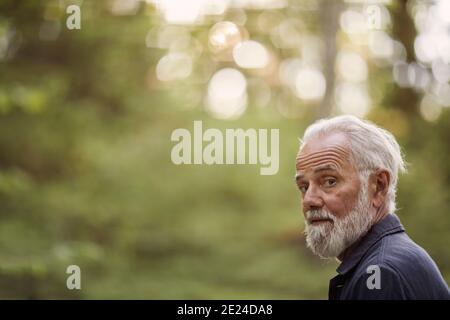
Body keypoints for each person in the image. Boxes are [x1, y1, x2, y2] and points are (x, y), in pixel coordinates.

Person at [295, 115, 450, 300]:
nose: (309, 200)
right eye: (304, 187)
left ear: (378, 186)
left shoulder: (381, 274)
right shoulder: (389, 261)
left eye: (329, 181)